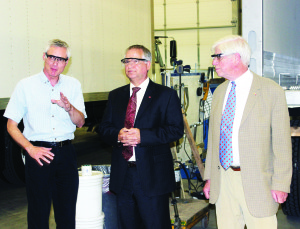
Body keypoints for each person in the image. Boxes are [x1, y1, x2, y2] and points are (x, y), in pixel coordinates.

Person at [202, 35, 292, 229]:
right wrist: (210, 178)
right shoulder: (219, 92)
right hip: (223, 180)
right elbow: (213, 140)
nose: (213, 62)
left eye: (218, 56)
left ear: (236, 57)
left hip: (259, 180)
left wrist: (281, 183)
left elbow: (282, 143)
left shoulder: (271, 91)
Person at [4, 39, 86, 229]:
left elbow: (80, 122)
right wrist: (30, 149)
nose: (55, 63)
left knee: (66, 213)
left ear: (67, 63)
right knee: (38, 213)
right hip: (39, 154)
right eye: (52, 57)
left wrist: (68, 107)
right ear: (44, 57)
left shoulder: (73, 85)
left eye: (61, 59)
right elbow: (11, 125)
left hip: (66, 155)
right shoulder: (26, 85)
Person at [99, 44, 184, 229]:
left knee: (155, 224)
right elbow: (104, 128)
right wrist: (118, 135)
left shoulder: (165, 95)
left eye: (135, 61)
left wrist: (142, 136)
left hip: (152, 176)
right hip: (123, 175)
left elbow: (176, 130)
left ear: (148, 64)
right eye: (126, 61)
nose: (129, 65)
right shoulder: (116, 96)